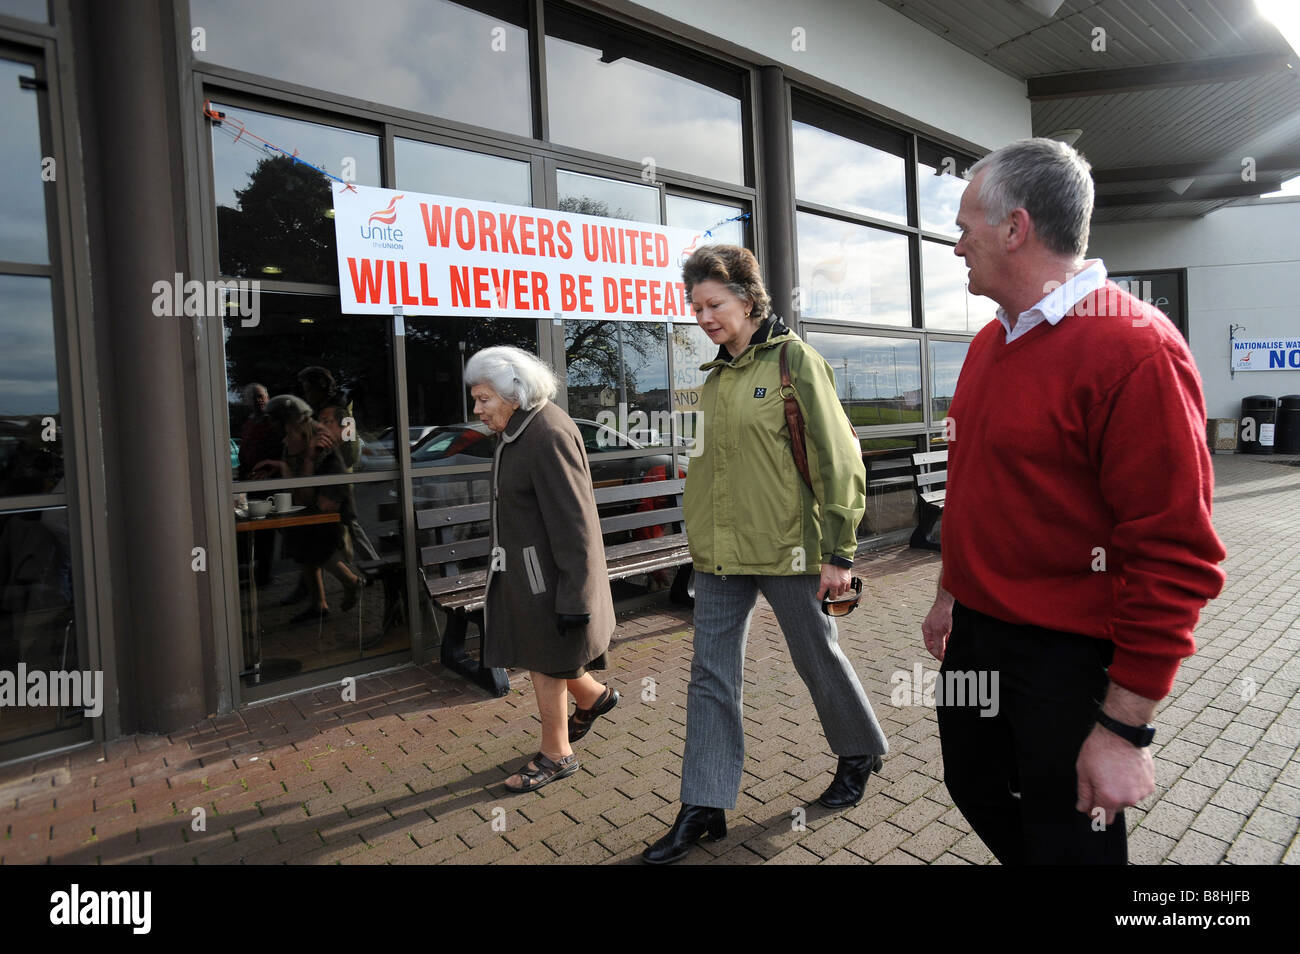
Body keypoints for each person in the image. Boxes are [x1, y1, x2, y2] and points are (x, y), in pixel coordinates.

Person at [922, 138, 1226, 865]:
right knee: (973, 784)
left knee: (1068, 843)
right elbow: (974, 487)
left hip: (1064, 659)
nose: (955, 242)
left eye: (966, 225)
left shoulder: (1135, 348)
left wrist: (1125, 730)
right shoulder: (989, 343)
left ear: (1015, 228)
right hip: (977, 637)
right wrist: (947, 595)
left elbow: (1175, 554)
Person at [642, 244, 888, 865]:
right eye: (694, 306)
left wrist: (840, 551)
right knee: (709, 676)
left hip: (791, 548)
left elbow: (839, 459)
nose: (702, 316)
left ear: (748, 301)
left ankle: (859, 751)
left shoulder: (793, 362)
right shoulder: (714, 379)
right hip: (721, 556)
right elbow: (709, 470)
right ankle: (703, 804)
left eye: (714, 303)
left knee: (816, 658)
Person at [464, 346, 619, 793]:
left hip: (548, 581)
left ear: (514, 393)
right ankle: (593, 695)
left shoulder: (544, 433)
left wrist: (575, 596)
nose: (477, 409)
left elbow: (577, 525)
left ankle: (557, 753)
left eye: (484, 398)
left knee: (544, 661)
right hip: (532, 576)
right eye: (476, 398)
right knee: (543, 656)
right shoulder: (522, 429)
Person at [253, 395, 363, 623]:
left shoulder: (318, 442)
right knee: (303, 549)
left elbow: (306, 494)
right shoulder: (298, 436)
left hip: (326, 502)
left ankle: (352, 582)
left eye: (286, 432)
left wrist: (300, 464)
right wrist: (282, 467)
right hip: (313, 500)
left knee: (317, 545)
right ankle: (318, 603)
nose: (283, 440)